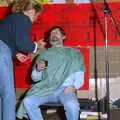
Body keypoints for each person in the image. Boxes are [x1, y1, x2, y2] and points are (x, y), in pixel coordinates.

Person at [16, 26, 85, 120]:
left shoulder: (73, 54)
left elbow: (79, 75)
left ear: (63, 37)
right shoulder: (43, 55)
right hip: (46, 89)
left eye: (56, 32)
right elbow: (35, 78)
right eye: (51, 34)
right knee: (28, 101)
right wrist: (38, 70)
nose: (53, 35)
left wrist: (74, 86)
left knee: (72, 106)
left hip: (65, 89)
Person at [0, 0, 42, 120]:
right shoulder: (24, 19)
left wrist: (15, 53)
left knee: (1, 92)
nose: (36, 19)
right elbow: (23, 42)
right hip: (2, 51)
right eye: (37, 16)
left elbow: (5, 38)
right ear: (32, 11)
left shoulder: (11, 18)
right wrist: (35, 46)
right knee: (8, 93)